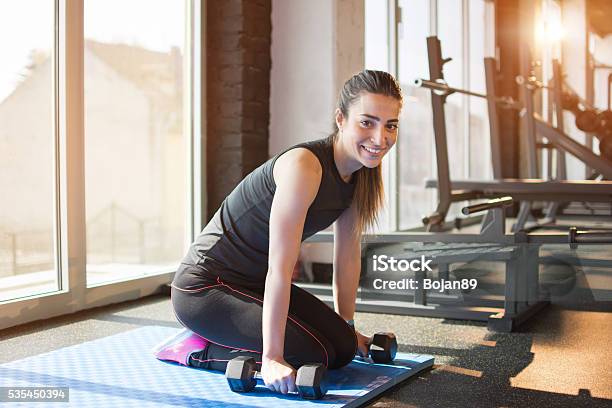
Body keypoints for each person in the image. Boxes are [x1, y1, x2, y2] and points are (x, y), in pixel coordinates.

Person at [171, 69, 403, 395]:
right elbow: (280, 268)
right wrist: (272, 356)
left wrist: (347, 327)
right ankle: (198, 351)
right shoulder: (304, 167)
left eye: (390, 125)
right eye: (367, 122)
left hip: (251, 285)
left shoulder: (359, 176)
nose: (380, 138)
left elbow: (347, 256)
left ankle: (245, 337)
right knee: (315, 354)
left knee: (341, 347)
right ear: (340, 119)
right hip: (205, 287)